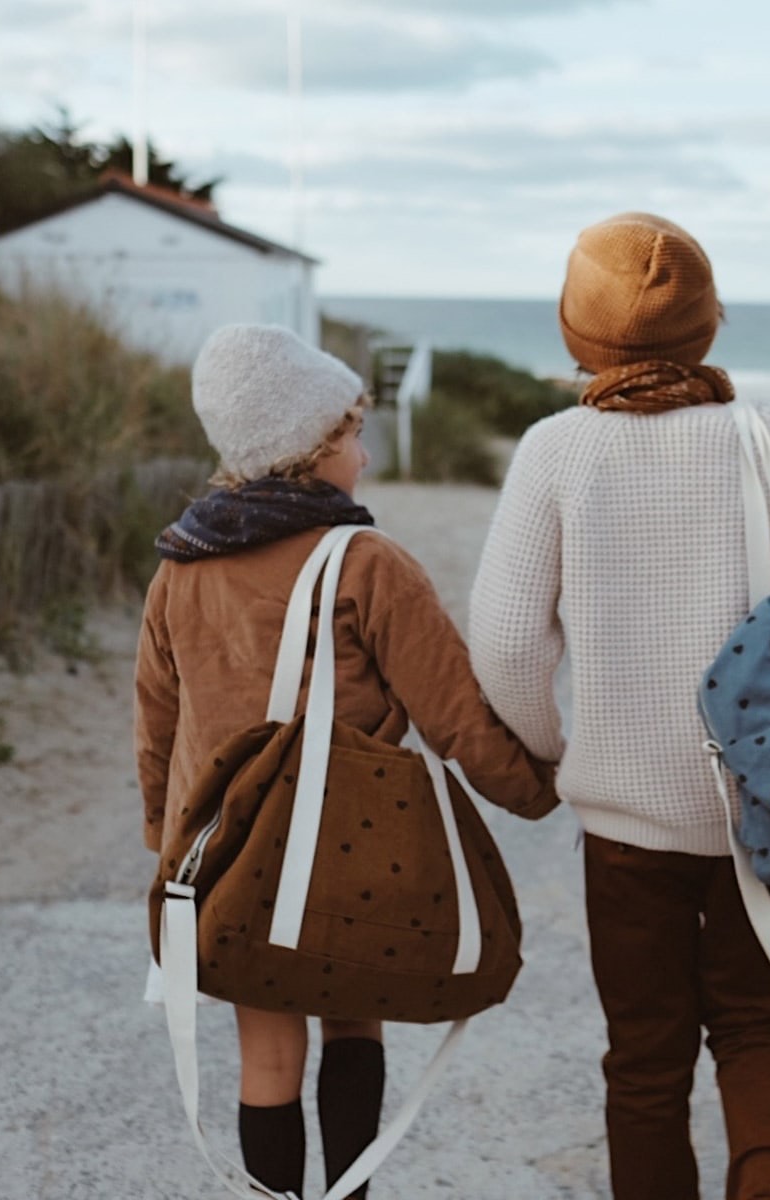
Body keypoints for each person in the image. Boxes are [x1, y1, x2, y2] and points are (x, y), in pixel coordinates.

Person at [468, 213, 770, 1200]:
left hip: (627, 827)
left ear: (576, 339)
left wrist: (549, 750)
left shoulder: (555, 452)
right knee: (759, 1029)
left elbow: (502, 640)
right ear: (709, 328)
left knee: (646, 1065)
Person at [134, 324, 559, 1200]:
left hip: (233, 856)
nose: (364, 458)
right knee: (353, 1013)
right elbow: (457, 718)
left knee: (266, 1043)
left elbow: (156, 722)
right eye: (351, 437)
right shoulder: (367, 563)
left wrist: (167, 840)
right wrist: (541, 791)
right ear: (306, 449)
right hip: (348, 848)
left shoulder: (179, 567)